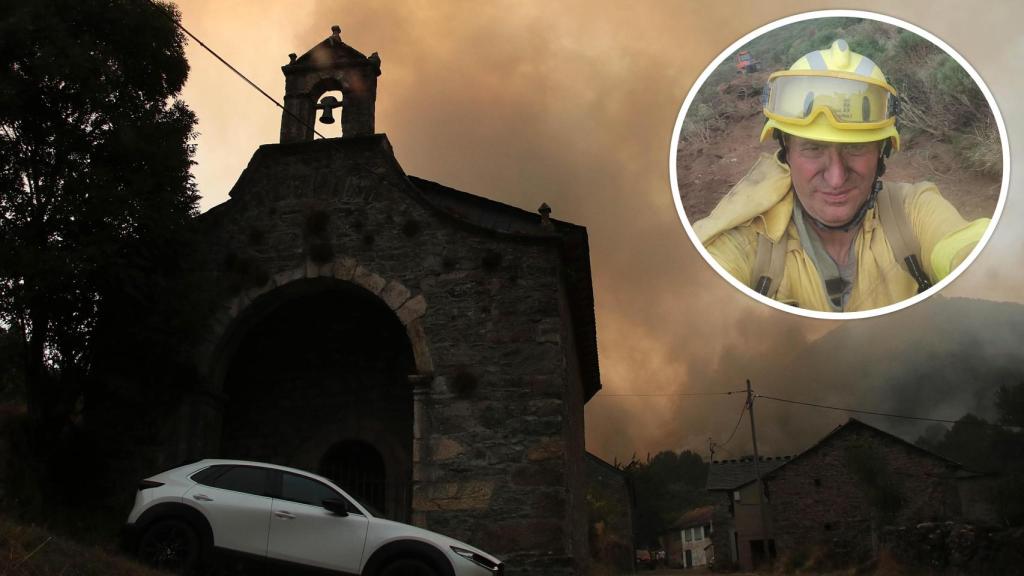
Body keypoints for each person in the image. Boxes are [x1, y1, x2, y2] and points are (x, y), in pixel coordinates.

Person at [694, 39, 990, 313]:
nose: (836, 178)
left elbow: (973, 253)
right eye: (813, 148)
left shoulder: (913, 211)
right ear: (786, 151)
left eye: (855, 148)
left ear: (881, 153)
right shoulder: (748, 243)